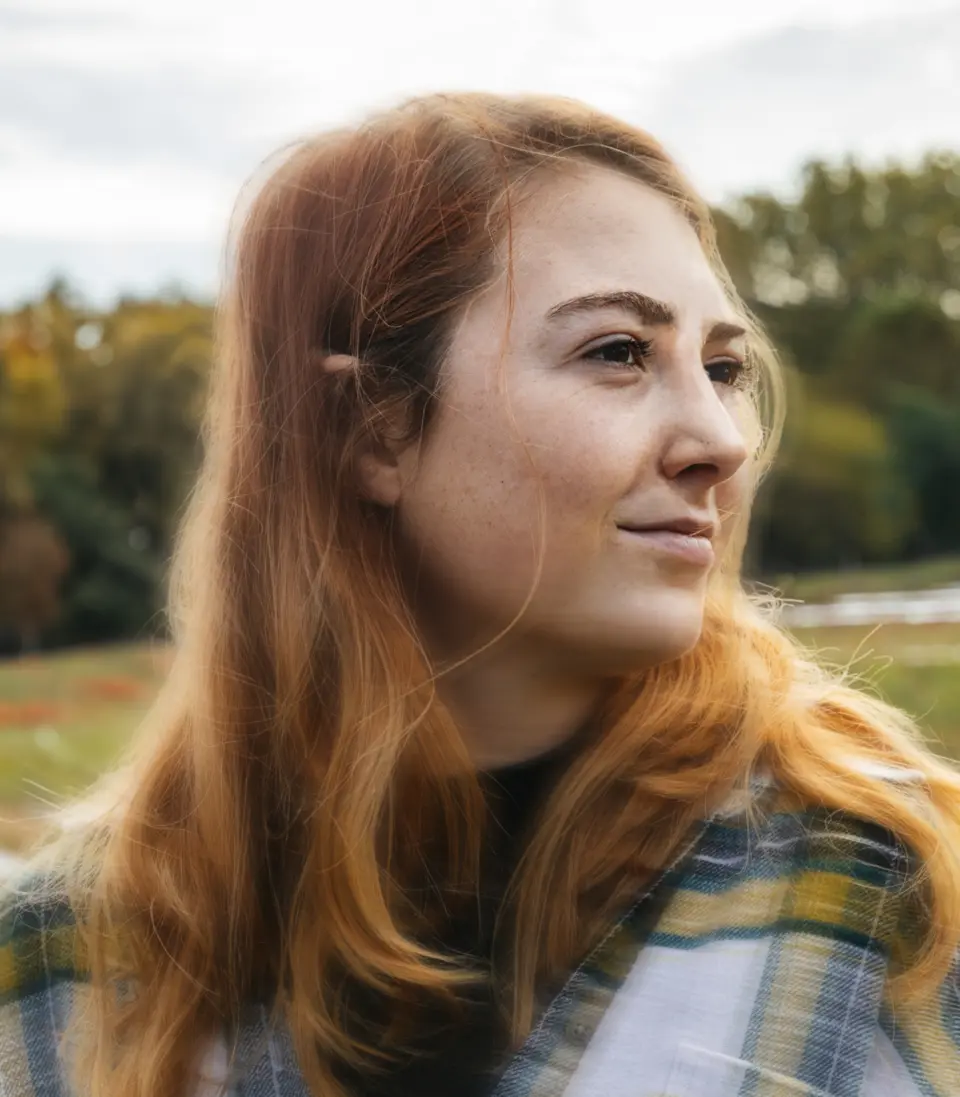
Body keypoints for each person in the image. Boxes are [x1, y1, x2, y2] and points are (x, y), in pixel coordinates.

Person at [1, 92, 959, 1097]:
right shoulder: (74, 956)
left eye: (723, 368)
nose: (720, 440)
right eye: (620, 353)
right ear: (372, 427)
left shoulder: (871, 886)